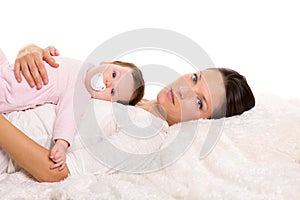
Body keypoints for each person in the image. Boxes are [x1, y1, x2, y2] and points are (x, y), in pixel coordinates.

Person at [0, 44, 255, 182]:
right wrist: (31, 54)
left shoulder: (149, 134)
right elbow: (67, 81)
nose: (185, 89)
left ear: (204, 122)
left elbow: (55, 171)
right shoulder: (127, 92)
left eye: (199, 102)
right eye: (195, 78)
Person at [0, 46, 145, 170]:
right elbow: (52, 64)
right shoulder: (82, 66)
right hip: (7, 69)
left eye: (113, 91)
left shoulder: (81, 93)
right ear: (106, 62)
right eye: (113, 74)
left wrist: (62, 144)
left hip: (7, 92)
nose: (108, 82)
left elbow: (68, 117)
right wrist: (48, 52)